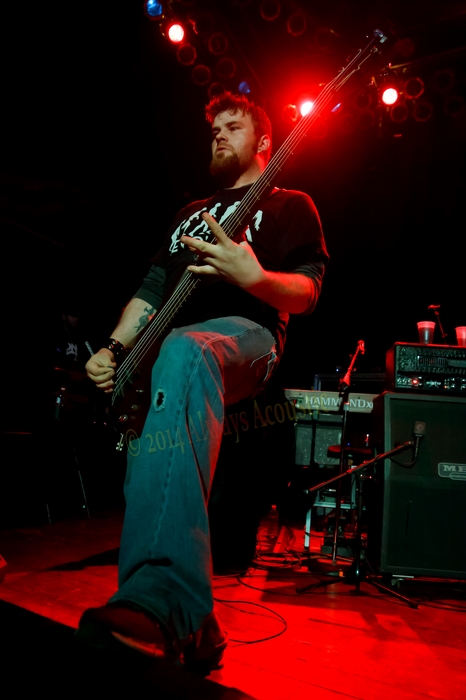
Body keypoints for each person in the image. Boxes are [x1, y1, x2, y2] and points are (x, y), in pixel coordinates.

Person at [76, 92, 329, 672]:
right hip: (164, 355)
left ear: (263, 141)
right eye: (213, 128)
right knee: (150, 459)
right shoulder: (189, 212)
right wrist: (114, 348)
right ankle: (191, 621)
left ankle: (165, 600)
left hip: (247, 337)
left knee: (187, 349)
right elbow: (150, 290)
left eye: (231, 126)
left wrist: (253, 275)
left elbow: (308, 291)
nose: (217, 134)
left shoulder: (289, 202)